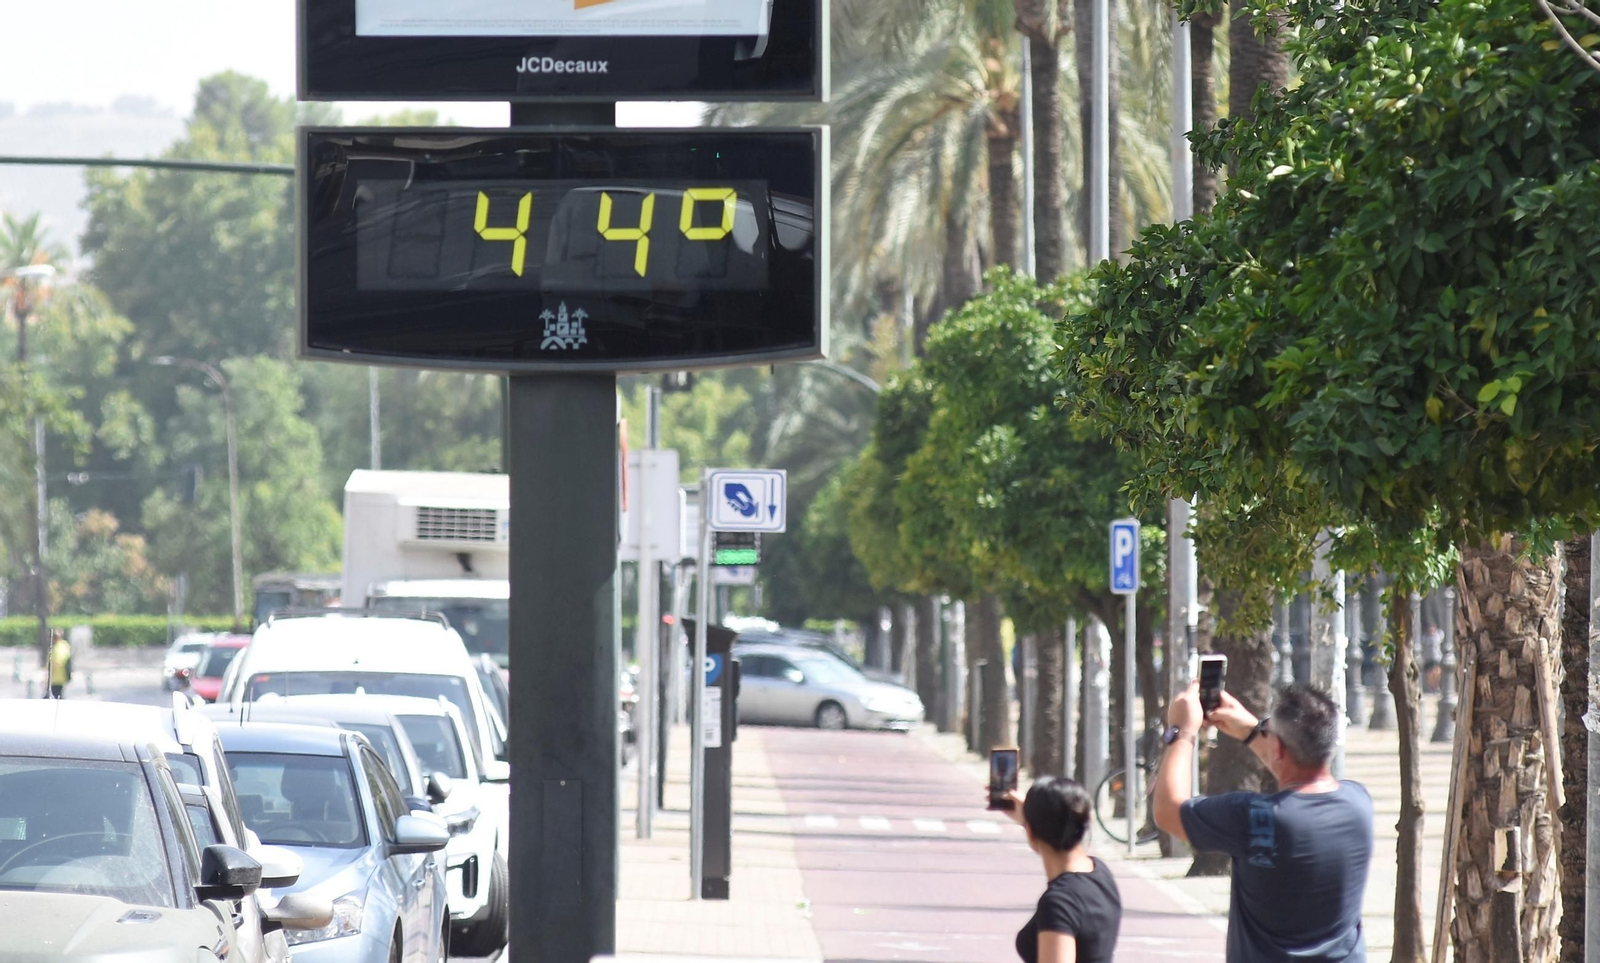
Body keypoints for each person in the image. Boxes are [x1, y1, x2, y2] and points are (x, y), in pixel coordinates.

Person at [1152, 682, 1373, 963]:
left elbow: (1167, 811)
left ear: (1278, 747)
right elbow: (1297, 774)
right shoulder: (1359, 804)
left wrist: (1181, 732)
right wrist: (1252, 731)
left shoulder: (1252, 816)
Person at [994, 777, 1121, 963]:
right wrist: (1030, 818)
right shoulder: (1101, 874)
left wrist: (1032, 819)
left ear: (1030, 832)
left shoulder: (1059, 903)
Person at [47, 630, 72, 699]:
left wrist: (48, 677)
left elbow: (56, 663)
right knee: (58, 696)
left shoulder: (58, 648)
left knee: (55, 696)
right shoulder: (64, 645)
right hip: (61, 677)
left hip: (56, 678)